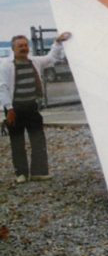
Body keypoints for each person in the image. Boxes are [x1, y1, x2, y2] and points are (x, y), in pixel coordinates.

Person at [0, 32, 71, 184]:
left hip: (32, 107)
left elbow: (51, 57)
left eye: (25, 45)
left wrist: (57, 42)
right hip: (14, 108)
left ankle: (39, 172)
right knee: (17, 141)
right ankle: (21, 173)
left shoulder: (34, 61)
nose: (24, 48)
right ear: (13, 48)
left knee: (38, 139)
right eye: (20, 46)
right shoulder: (6, 65)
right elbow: (3, 88)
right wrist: (9, 109)